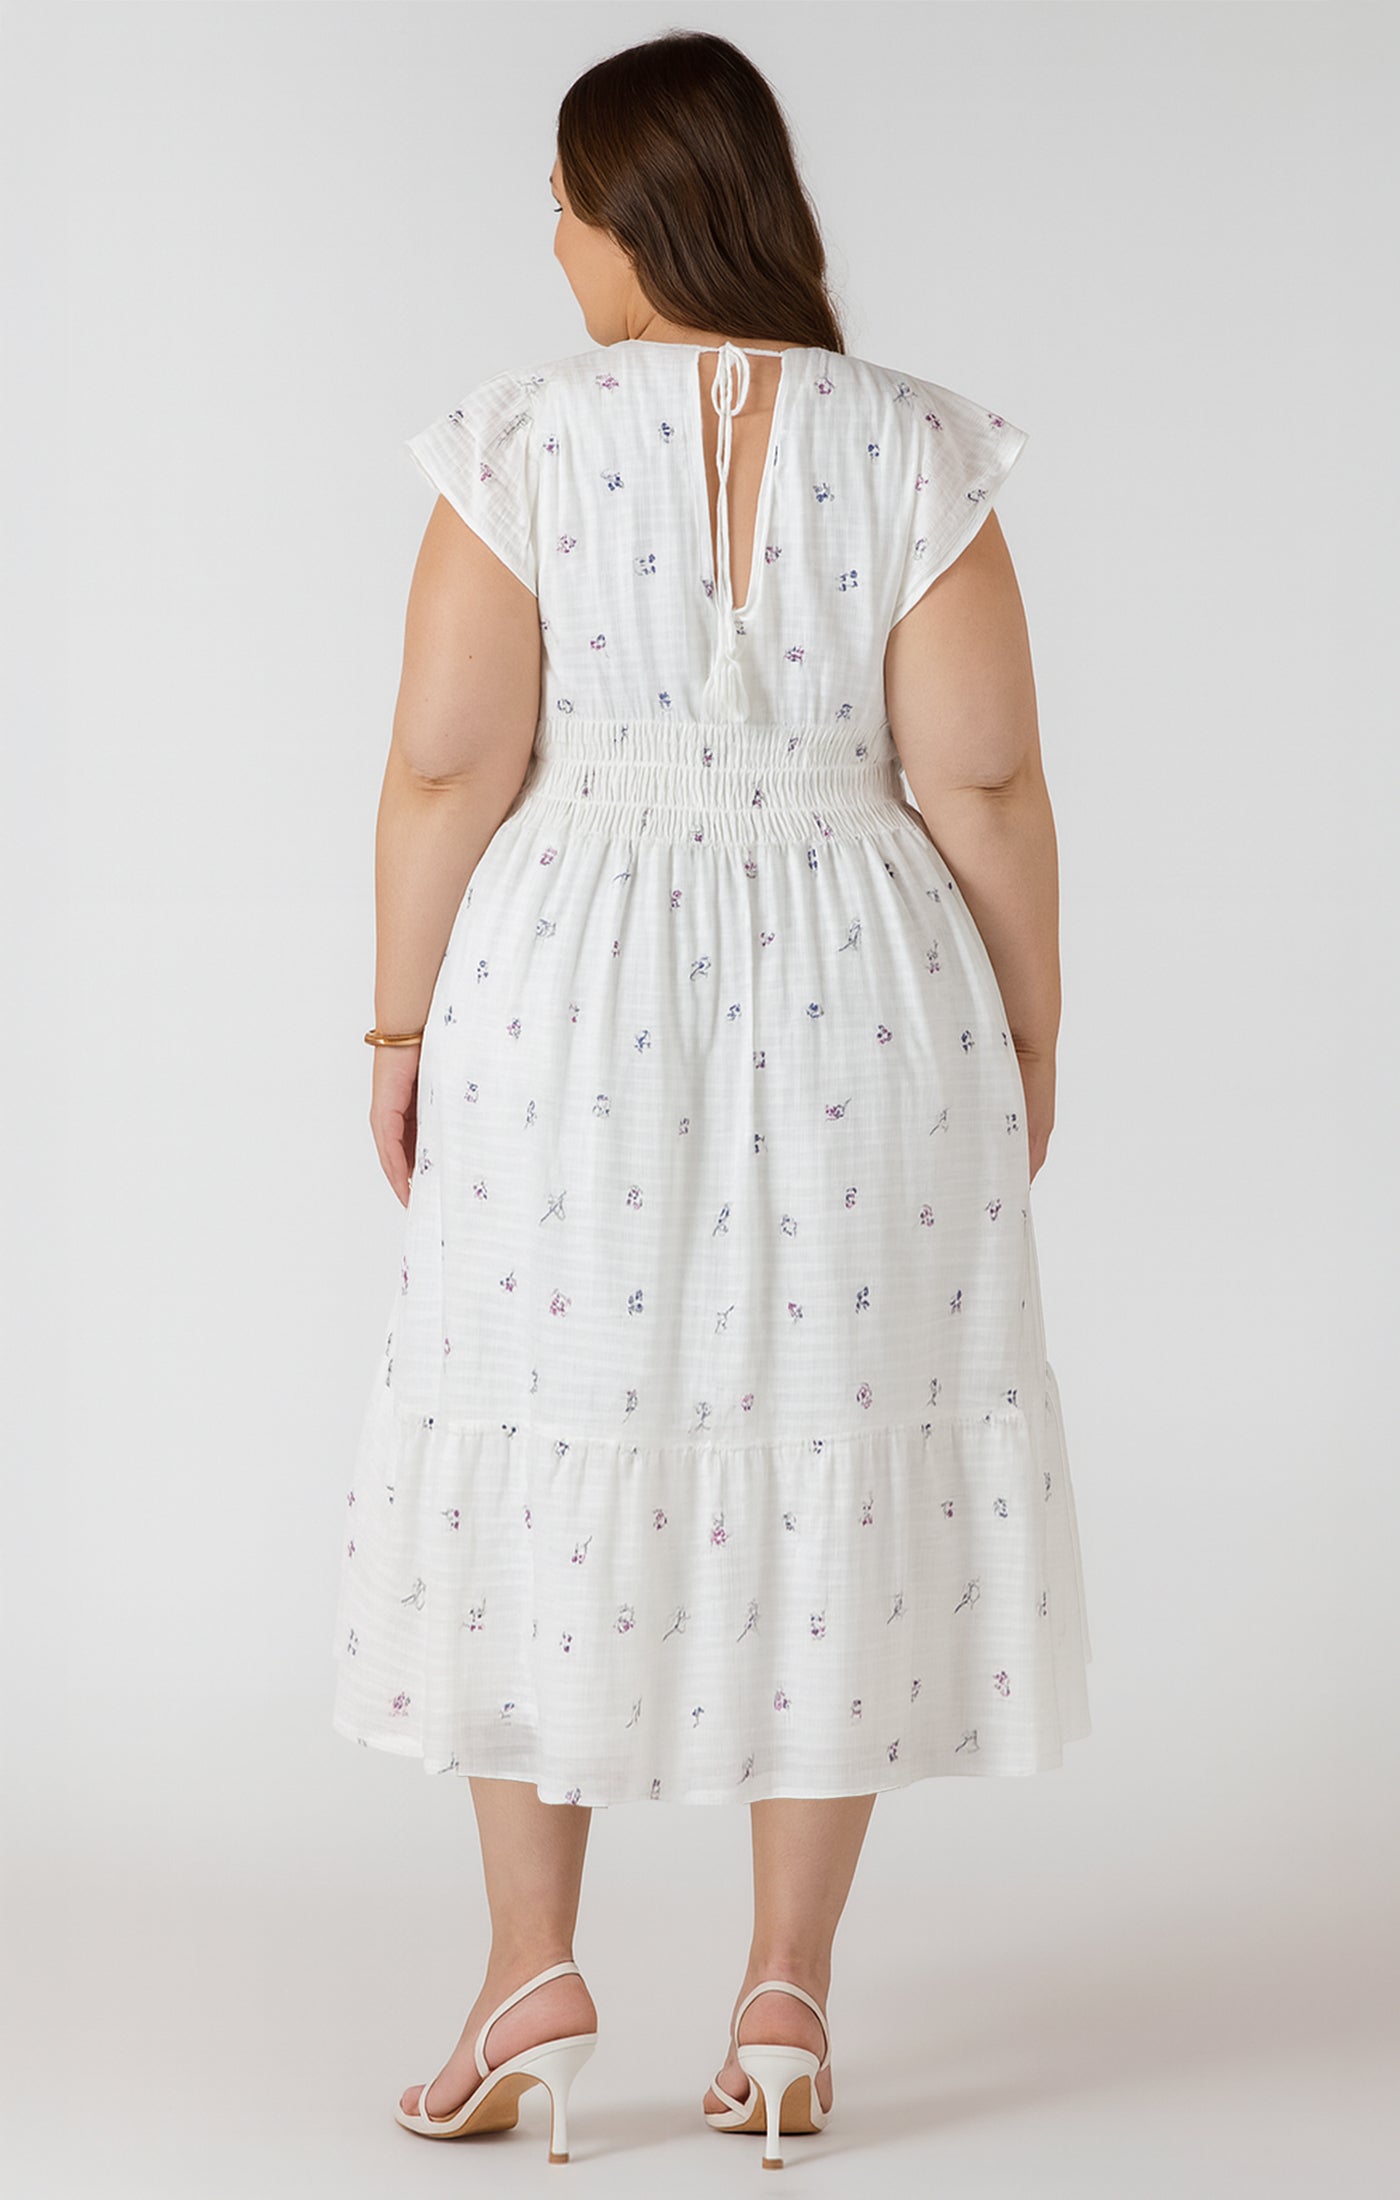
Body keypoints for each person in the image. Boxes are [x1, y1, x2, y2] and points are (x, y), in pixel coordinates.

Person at [330, 27, 1092, 2170]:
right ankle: (782, 1999)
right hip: (868, 993)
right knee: (828, 1418)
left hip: (569, 985)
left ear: (623, 211)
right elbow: (982, 777)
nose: (548, 242)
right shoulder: (915, 446)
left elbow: (446, 765)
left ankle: (527, 1969)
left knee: (536, 1405)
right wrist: (1034, 1024)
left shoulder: (523, 440)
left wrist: (391, 1031)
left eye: (558, 202)